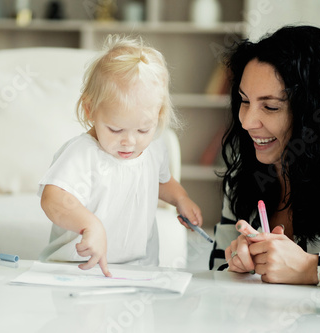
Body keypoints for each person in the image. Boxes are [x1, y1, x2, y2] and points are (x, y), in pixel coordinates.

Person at [209, 25, 320, 290]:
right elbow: (216, 273)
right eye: (244, 101)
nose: (246, 122)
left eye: (270, 107)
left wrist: (311, 268)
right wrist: (237, 264)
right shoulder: (243, 173)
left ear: (317, 115)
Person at [39, 35, 203, 277]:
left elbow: (160, 181)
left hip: (140, 269)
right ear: (90, 109)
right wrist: (90, 224)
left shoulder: (153, 148)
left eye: (143, 129)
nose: (130, 141)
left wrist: (181, 199)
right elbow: (52, 198)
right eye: (116, 129)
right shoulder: (82, 154)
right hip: (80, 270)